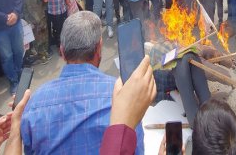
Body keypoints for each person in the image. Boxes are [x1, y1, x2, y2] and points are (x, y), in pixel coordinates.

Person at [20, 11, 145, 155]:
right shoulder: (122, 96)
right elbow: (137, 149)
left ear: (62, 51)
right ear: (99, 47)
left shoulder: (32, 106)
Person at [21, 0, 50, 64]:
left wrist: (45, 1)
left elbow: (44, 2)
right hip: (33, 23)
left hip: (42, 19)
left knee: (45, 37)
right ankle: (41, 56)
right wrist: (29, 23)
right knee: (37, 41)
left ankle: (45, 52)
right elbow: (25, 12)